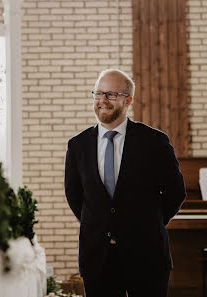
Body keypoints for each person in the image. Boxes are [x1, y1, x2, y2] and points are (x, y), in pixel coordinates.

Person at [64, 69, 186, 297]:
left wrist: (149, 223)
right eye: (98, 93)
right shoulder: (77, 146)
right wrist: (101, 222)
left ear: (128, 100)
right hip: (97, 257)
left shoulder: (155, 142)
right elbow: (75, 196)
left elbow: (175, 192)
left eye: (110, 94)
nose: (102, 100)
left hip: (147, 254)